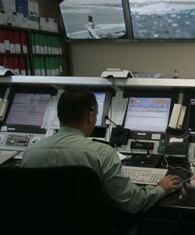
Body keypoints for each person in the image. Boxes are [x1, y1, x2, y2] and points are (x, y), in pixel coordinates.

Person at [22, 88, 181, 214]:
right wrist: (160, 189)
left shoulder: (30, 152)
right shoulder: (102, 153)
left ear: (59, 115)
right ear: (91, 116)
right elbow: (132, 203)